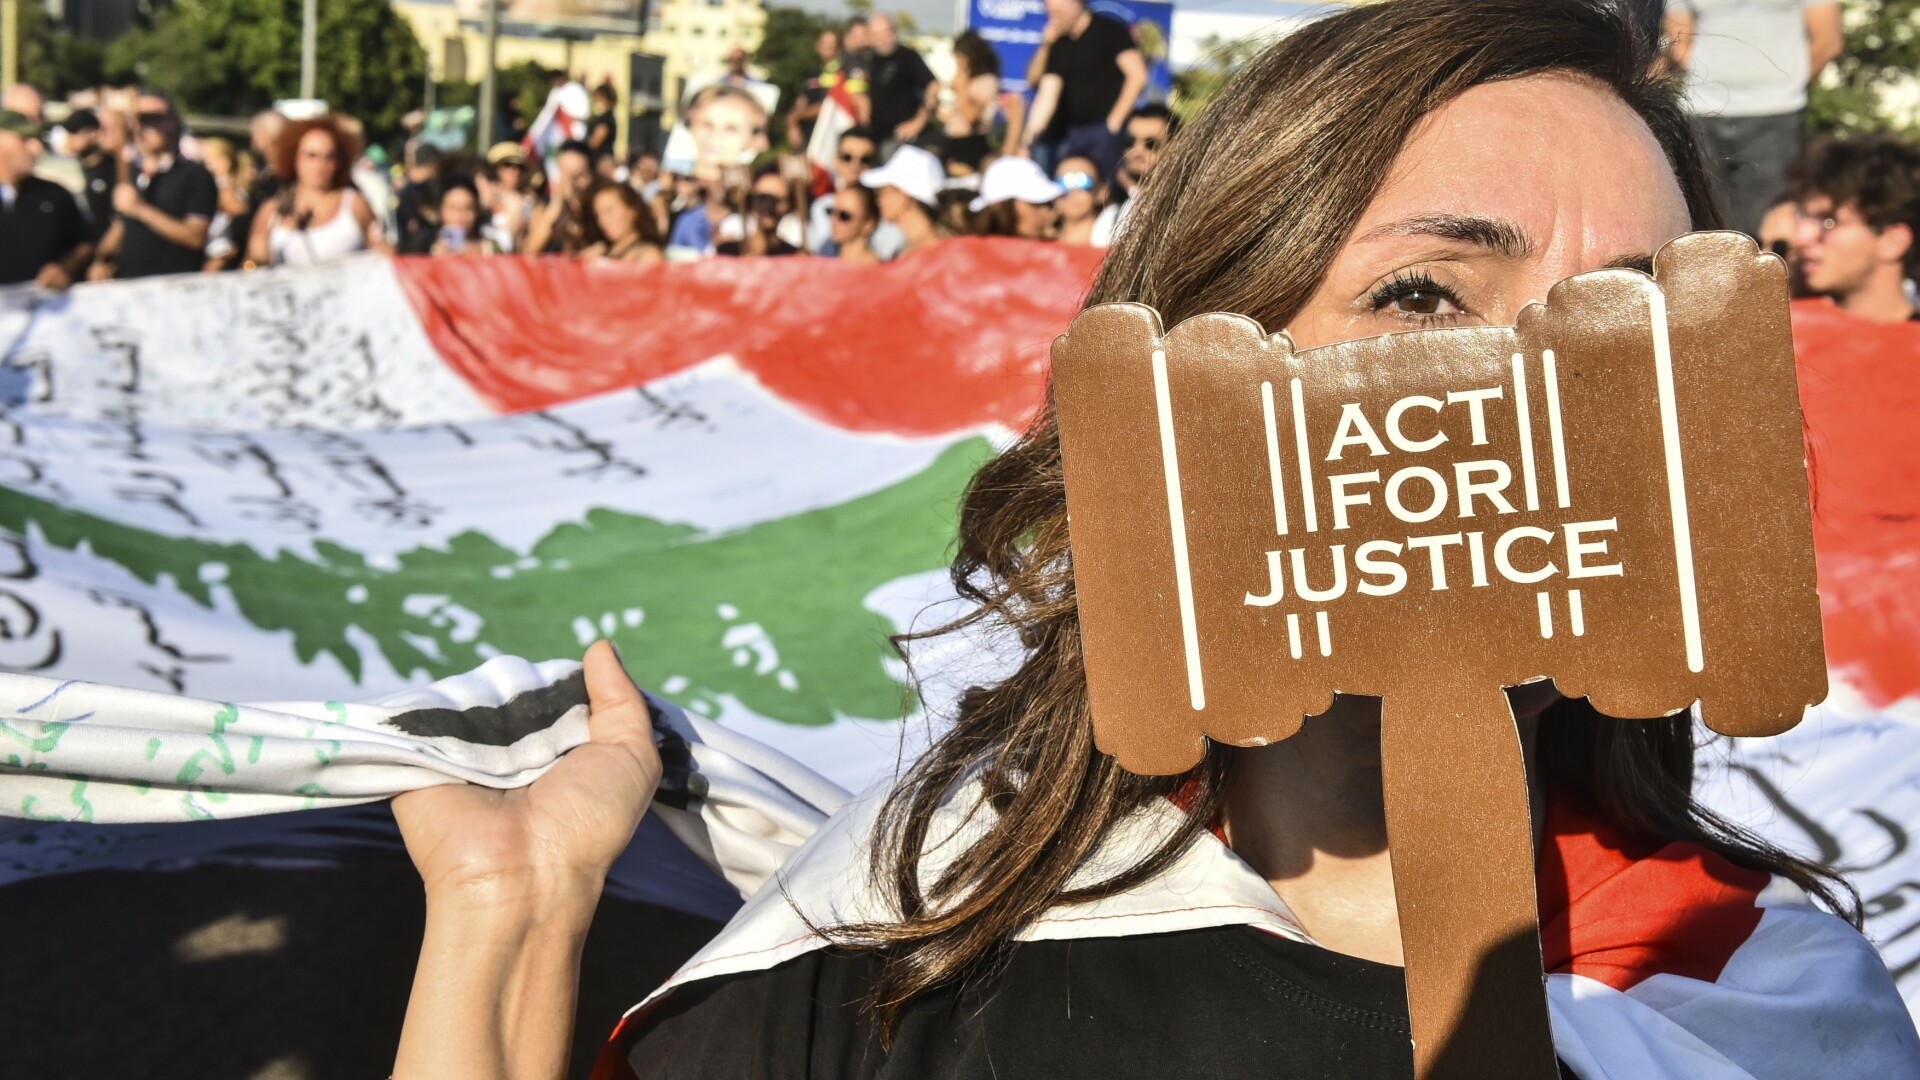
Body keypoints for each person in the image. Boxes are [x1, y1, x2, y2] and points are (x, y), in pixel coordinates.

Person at [389, 3, 1920, 1078]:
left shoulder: (1755, 993)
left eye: (1629, 328)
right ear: (1200, 359)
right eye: (1424, 299)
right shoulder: (918, 916)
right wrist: (504, 919)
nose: (1544, 398)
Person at [1663, 0, 1843, 236]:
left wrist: (1785, 86)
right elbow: (1678, 41)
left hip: (1776, 115)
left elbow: (1828, 42)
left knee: (1773, 226)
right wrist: (1712, 77)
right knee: (1705, 226)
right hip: (1702, 110)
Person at [1788, 134, 1920, 323]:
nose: (1800, 238)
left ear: (1893, 241)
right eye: (1803, 217)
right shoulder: (1786, 334)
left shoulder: (1914, 346)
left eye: (1828, 221)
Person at [90, 90, 217, 280]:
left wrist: (140, 209)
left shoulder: (195, 174)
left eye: (156, 117)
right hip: (128, 285)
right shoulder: (132, 172)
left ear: (173, 121)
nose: (147, 125)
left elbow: (196, 237)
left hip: (173, 288)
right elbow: (124, 225)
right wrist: (101, 260)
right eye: (140, 118)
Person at [1020, 0, 1147, 177]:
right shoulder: (1058, 42)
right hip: (1072, 134)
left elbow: (1137, 75)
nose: (1052, 20)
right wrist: (1027, 141)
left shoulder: (1110, 30)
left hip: (1105, 130)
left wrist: (1113, 123)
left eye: (1057, 13)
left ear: (1076, 5)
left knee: (1102, 189)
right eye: (1049, 14)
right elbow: (1047, 93)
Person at [247, 114, 385, 267]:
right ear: (294, 158)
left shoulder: (354, 204)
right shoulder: (271, 211)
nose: (321, 165)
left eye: (330, 157)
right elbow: (253, 265)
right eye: (311, 156)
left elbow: (384, 257)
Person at [0, 109, 91, 289]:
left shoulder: (54, 195)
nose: (36, 148)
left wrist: (67, 268)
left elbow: (84, 243)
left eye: (36, 139)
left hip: (47, 311)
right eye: (24, 139)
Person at [807, 126, 904, 258]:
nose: (855, 165)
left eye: (865, 159)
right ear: (836, 161)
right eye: (847, 157)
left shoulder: (889, 210)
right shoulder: (821, 207)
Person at [1092, 103, 1174, 247]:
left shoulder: (1183, 207)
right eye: (1130, 142)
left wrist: (1132, 189)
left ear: (1175, 149)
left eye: (1151, 144)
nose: (1137, 151)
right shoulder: (1112, 214)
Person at [941, 30, 1022, 174]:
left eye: (961, 57)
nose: (958, 63)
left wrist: (962, 89)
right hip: (952, 143)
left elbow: (971, 117)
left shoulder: (987, 82)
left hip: (971, 145)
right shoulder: (966, 82)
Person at [866, 14, 938, 153]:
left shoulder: (908, 57)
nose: (882, 39)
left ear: (894, 32)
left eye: (886, 33)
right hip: (875, 138)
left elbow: (933, 86)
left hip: (903, 141)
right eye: (876, 35)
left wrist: (919, 122)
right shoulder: (868, 60)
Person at [860, 143, 944, 257]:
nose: (878, 201)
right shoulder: (906, 249)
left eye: (882, 192)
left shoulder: (937, 249)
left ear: (904, 196)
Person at [968, 154, 1064, 239]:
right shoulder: (966, 256)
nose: (1046, 212)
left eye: (1047, 204)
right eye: (1035, 204)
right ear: (1003, 207)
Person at [526, 139, 596, 254]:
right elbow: (530, 251)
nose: (571, 183)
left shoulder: (600, 206)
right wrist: (556, 206)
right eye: (565, 173)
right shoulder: (544, 206)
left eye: (578, 175)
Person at [717, 166, 805, 256]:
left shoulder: (792, 255)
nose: (766, 207)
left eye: (774, 200)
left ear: (787, 205)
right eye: (761, 199)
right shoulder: (728, 251)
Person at [198, 137, 254, 271]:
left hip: (218, 254)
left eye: (209, 159)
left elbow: (241, 213)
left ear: (225, 162)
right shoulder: (234, 187)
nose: (204, 164)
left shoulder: (222, 188)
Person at [581, 178, 666, 263]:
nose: (602, 221)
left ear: (632, 211)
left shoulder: (648, 255)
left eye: (609, 210)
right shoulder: (601, 251)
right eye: (598, 215)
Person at [62, 108, 117, 239]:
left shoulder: (112, 168)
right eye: (68, 132)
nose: (70, 138)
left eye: (75, 132)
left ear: (94, 133)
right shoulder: (69, 170)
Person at [416, 178, 498, 257]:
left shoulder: (488, 235)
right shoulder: (422, 243)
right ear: (440, 209)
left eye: (467, 208)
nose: (459, 216)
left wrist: (474, 249)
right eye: (453, 208)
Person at [1051, 154, 1104, 245]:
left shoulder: (1111, 246)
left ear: (1101, 192)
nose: (1073, 191)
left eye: (1084, 182)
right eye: (1063, 183)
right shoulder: (1040, 244)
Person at [827, 182, 883, 263]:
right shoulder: (827, 261)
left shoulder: (876, 269)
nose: (833, 220)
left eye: (844, 216)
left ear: (868, 224)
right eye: (831, 211)